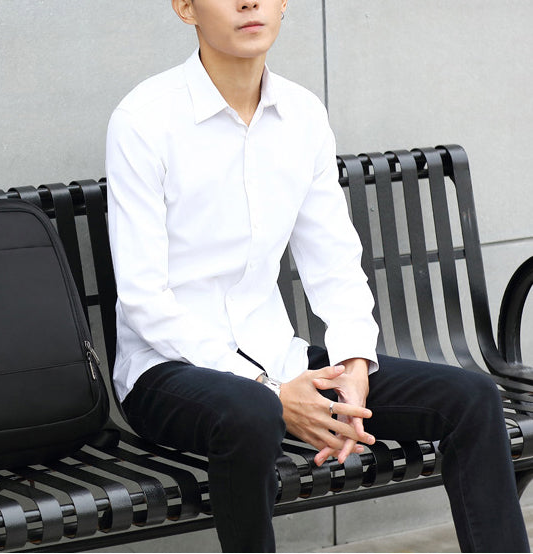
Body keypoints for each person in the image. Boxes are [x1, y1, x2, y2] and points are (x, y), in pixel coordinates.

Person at [104, 1, 529, 552]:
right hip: (166, 371)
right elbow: (144, 298)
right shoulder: (144, 119)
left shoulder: (302, 115)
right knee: (253, 411)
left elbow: (334, 263)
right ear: (186, 7)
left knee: (470, 398)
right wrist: (271, 390)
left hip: (279, 357)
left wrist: (353, 364)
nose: (249, 2)